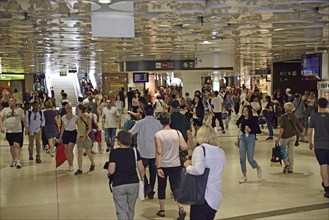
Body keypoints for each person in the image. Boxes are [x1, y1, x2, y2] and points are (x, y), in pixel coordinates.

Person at [183, 125, 226, 220]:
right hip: (215, 197)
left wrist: (188, 166)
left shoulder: (200, 150)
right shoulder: (220, 152)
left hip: (202, 195)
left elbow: (199, 170)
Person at [155, 112, 188, 219]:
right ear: (170, 121)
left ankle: (162, 210)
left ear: (160, 122)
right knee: (175, 187)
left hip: (163, 165)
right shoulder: (177, 133)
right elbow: (184, 147)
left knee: (161, 186)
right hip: (176, 164)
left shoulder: (158, 135)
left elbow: (159, 152)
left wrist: (158, 167)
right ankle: (180, 207)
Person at [108, 130, 145, 220]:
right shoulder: (135, 151)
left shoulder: (114, 152)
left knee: (121, 209)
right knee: (131, 207)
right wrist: (142, 178)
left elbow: (112, 170)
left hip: (119, 183)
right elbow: (141, 168)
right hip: (133, 183)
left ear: (119, 141)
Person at [130, 105, 163, 199]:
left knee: (141, 171)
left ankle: (147, 185)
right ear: (153, 112)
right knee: (153, 172)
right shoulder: (158, 123)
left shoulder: (140, 123)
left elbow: (131, 133)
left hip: (142, 152)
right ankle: (151, 191)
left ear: (144, 112)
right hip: (154, 152)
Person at [307, 98, 329, 198]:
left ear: (318, 105)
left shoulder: (314, 117)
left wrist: (310, 142)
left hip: (319, 145)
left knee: (323, 166)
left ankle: (327, 188)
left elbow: (309, 131)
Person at [236, 105, 262, 183]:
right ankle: (244, 176)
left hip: (251, 138)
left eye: (246, 110)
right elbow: (237, 123)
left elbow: (258, 131)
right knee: (242, 159)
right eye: (243, 110)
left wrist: (251, 130)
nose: (244, 111)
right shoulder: (242, 118)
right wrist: (241, 126)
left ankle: (257, 167)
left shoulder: (253, 119)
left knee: (250, 159)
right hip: (243, 138)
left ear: (249, 111)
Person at [275, 102, 303, 174]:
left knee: (283, 150)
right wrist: (301, 134)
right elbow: (300, 128)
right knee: (290, 152)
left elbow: (282, 128)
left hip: (285, 137)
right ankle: (291, 169)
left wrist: (278, 138)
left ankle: (286, 164)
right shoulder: (294, 116)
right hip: (293, 136)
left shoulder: (283, 117)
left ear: (286, 108)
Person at [0, 98, 27, 169]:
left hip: (17, 130)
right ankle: (14, 159)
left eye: (11, 101)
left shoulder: (20, 110)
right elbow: (1, 118)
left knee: (16, 145)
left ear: (15, 102)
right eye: (9, 101)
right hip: (8, 131)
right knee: (12, 146)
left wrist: (26, 128)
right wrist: (1, 126)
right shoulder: (5, 110)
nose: (10, 102)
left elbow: (24, 120)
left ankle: (18, 161)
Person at [74, 104, 95, 175]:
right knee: (79, 153)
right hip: (79, 137)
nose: (77, 111)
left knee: (88, 152)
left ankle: (92, 163)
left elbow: (90, 128)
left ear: (81, 110)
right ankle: (80, 169)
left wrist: (84, 136)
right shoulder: (77, 118)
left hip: (87, 138)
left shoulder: (87, 118)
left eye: (78, 109)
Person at [58, 103, 78, 172]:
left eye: (70, 108)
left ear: (71, 108)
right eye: (67, 108)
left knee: (70, 149)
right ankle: (69, 165)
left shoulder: (75, 117)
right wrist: (60, 137)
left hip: (73, 133)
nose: (68, 110)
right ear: (65, 109)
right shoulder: (63, 117)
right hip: (66, 133)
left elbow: (78, 126)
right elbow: (62, 127)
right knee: (66, 150)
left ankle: (71, 165)